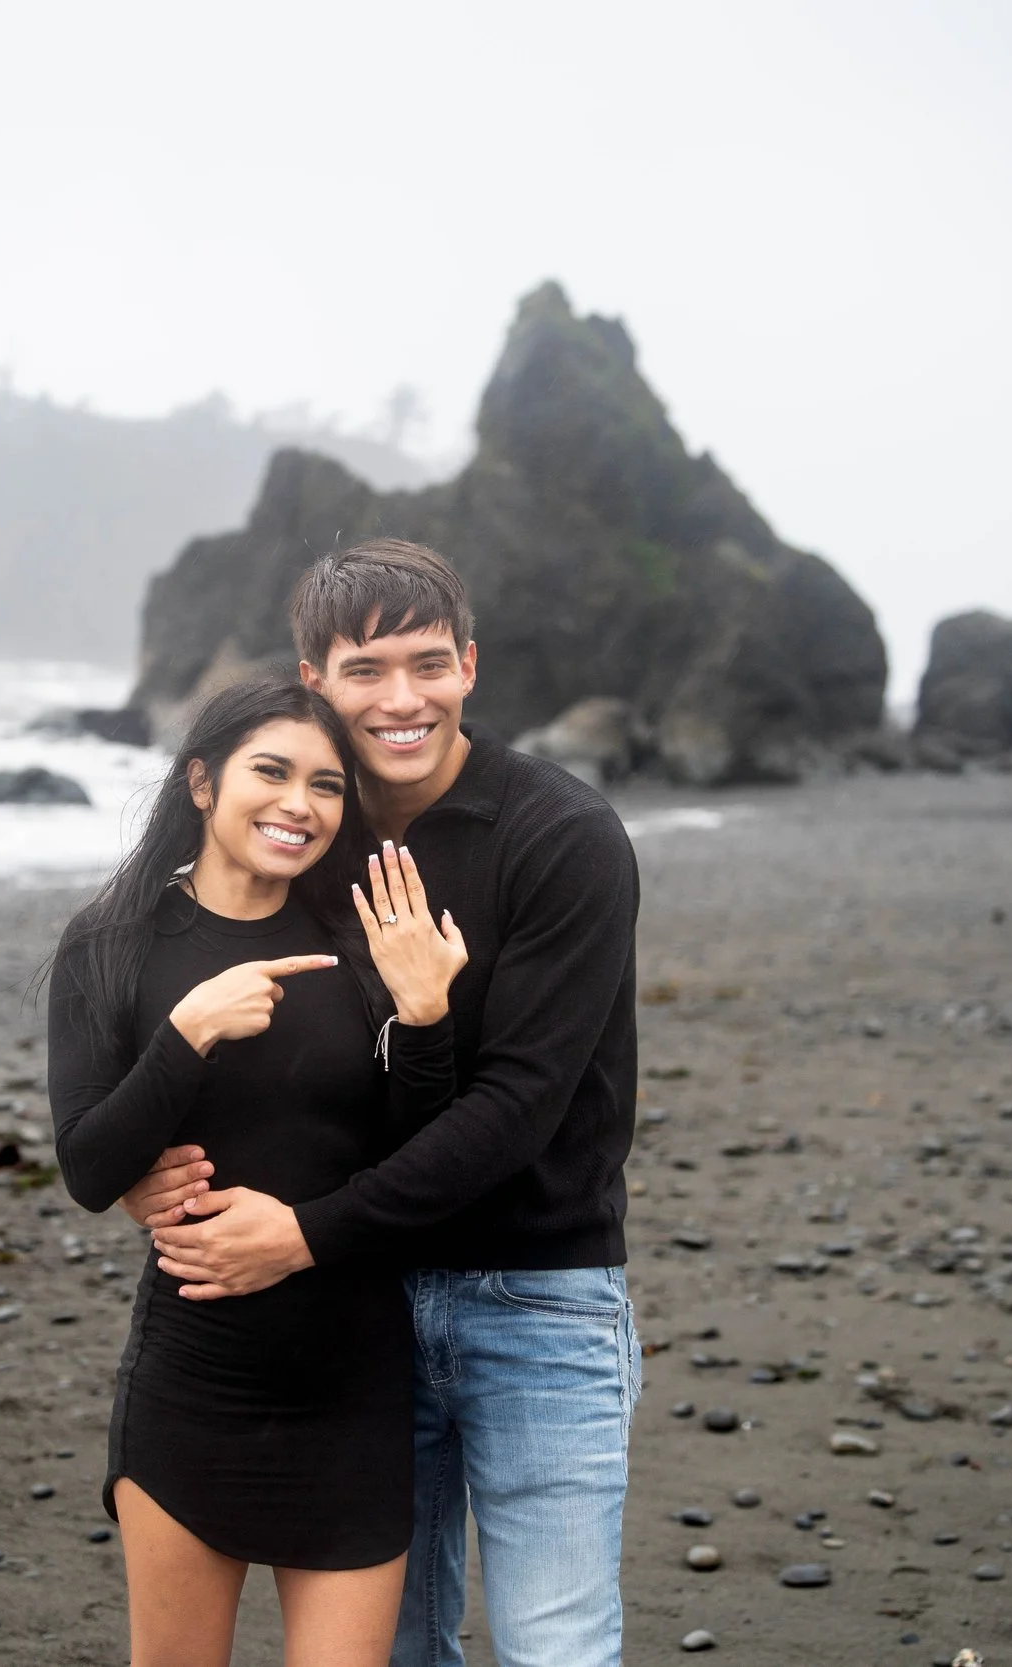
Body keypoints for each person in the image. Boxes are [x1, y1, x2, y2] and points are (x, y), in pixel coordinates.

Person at [129, 540, 644, 1667]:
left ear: (469, 666)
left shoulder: (561, 837)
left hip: (536, 1290)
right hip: (357, 1309)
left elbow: (519, 1107)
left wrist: (304, 1230)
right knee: (396, 1649)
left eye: (426, 663)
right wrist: (142, 1160)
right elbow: (187, 983)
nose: (400, 698)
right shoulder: (305, 834)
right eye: (365, 668)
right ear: (315, 678)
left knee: (555, 1646)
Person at [46, 677, 472, 1667]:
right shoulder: (113, 942)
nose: (299, 803)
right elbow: (88, 1164)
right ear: (202, 780)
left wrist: (424, 1018)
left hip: (355, 1387)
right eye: (270, 771)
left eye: (326, 785)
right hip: (194, 1381)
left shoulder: (358, 943)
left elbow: (421, 1157)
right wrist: (187, 1032)